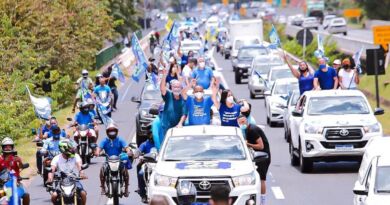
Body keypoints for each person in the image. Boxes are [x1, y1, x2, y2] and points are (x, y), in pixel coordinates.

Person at [237, 115, 271, 205]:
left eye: (243, 122)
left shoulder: (252, 130)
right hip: (256, 156)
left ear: (247, 121)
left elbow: (261, 146)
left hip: (263, 156)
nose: (242, 124)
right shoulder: (246, 130)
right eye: (240, 123)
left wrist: (248, 144)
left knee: (261, 179)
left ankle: (263, 201)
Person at [94, 123, 131, 196]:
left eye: (113, 131)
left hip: (119, 160)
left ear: (116, 131)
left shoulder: (120, 139)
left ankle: (126, 188)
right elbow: (99, 148)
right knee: (102, 170)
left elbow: (127, 147)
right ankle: (103, 188)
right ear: (107, 132)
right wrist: (97, 152)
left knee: (125, 171)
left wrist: (128, 152)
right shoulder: (104, 140)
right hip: (108, 161)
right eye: (110, 131)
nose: (112, 132)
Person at [48, 140, 87, 205]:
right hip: (61, 181)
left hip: (74, 180)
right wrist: (50, 178)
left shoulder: (76, 156)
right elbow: (52, 170)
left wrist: (82, 173)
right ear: (63, 149)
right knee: (54, 196)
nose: (72, 150)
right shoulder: (56, 158)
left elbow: (80, 166)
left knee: (83, 193)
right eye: (70, 148)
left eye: (72, 148)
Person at [0, 137, 30, 205]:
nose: (8, 148)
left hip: (16, 184)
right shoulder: (0, 159)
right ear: (3, 148)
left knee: (26, 195)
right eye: (6, 147)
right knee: (7, 199)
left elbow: (21, 167)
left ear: (12, 147)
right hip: (3, 185)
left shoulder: (16, 158)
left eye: (9, 146)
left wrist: (20, 161)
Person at [160, 71, 187, 137]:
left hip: (178, 129)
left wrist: (180, 123)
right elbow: (162, 88)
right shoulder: (168, 95)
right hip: (166, 127)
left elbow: (184, 114)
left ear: (181, 88)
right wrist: (164, 76)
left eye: (178, 87)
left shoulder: (183, 99)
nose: (176, 89)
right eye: (175, 87)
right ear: (171, 88)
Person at [137, 129, 155, 203]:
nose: (152, 136)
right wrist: (137, 154)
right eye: (150, 134)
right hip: (147, 164)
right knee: (141, 174)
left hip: (158, 164)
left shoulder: (160, 142)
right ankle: (143, 194)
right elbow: (138, 151)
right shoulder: (144, 144)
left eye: (153, 134)